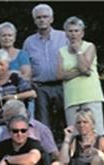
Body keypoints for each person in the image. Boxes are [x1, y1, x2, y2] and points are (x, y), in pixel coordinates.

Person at [24, 3, 69, 134]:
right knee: (43, 124)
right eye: (38, 17)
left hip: (63, 85)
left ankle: (73, 153)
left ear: (51, 19)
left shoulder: (64, 37)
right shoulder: (29, 42)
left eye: (45, 16)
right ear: (34, 21)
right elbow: (27, 67)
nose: (42, 20)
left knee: (68, 121)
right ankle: (46, 154)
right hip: (40, 87)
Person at [59, 17, 104, 137]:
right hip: (71, 97)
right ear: (66, 33)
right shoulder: (61, 51)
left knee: (96, 132)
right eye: (70, 31)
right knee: (74, 134)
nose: (73, 34)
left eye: (76, 31)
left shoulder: (89, 47)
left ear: (82, 33)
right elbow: (59, 75)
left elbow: (84, 67)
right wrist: (80, 72)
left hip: (90, 95)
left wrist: (78, 51)